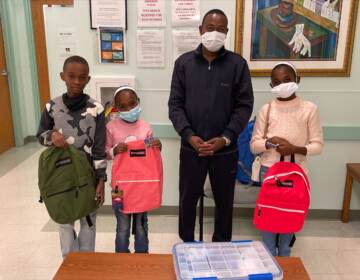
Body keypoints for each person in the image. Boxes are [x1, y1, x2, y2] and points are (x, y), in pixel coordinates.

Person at [168, 9, 254, 242]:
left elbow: (244, 106)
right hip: (191, 148)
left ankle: (221, 249)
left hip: (225, 150)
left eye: (220, 29)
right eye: (210, 28)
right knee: (187, 200)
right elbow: (175, 105)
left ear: (226, 32)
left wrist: (225, 137)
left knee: (225, 203)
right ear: (200, 30)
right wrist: (189, 135)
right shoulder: (183, 63)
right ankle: (186, 243)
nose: (214, 33)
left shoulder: (237, 64)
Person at [250, 61, 324, 256]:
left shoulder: (309, 108)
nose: (282, 84)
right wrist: (269, 143)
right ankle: (268, 258)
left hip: (296, 172)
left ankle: (285, 255)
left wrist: (294, 148)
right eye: (276, 82)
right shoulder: (266, 109)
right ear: (271, 86)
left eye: (287, 80)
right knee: (269, 218)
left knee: (288, 219)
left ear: (297, 80)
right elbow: (254, 144)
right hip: (269, 170)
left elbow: (318, 145)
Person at [37, 55, 107, 258]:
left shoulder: (97, 109)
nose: (77, 81)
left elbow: (100, 148)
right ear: (62, 77)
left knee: (88, 221)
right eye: (71, 76)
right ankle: (69, 264)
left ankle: (87, 263)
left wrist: (101, 179)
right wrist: (52, 136)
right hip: (61, 176)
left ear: (88, 79)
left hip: (88, 177)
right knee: (65, 223)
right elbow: (40, 136)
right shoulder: (52, 107)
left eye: (82, 77)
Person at [105, 86, 162, 253]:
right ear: (116, 108)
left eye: (132, 104)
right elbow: (105, 152)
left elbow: (151, 154)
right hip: (119, 187)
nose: (129, 109)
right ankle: (122, 259)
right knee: (122, 226)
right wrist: (114, 150)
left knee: (141, 225)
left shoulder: (145, 127)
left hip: (142, 185)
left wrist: (158, 145)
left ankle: (142, 258)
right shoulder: (111, 127)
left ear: (138, 102)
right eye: (123, 107)